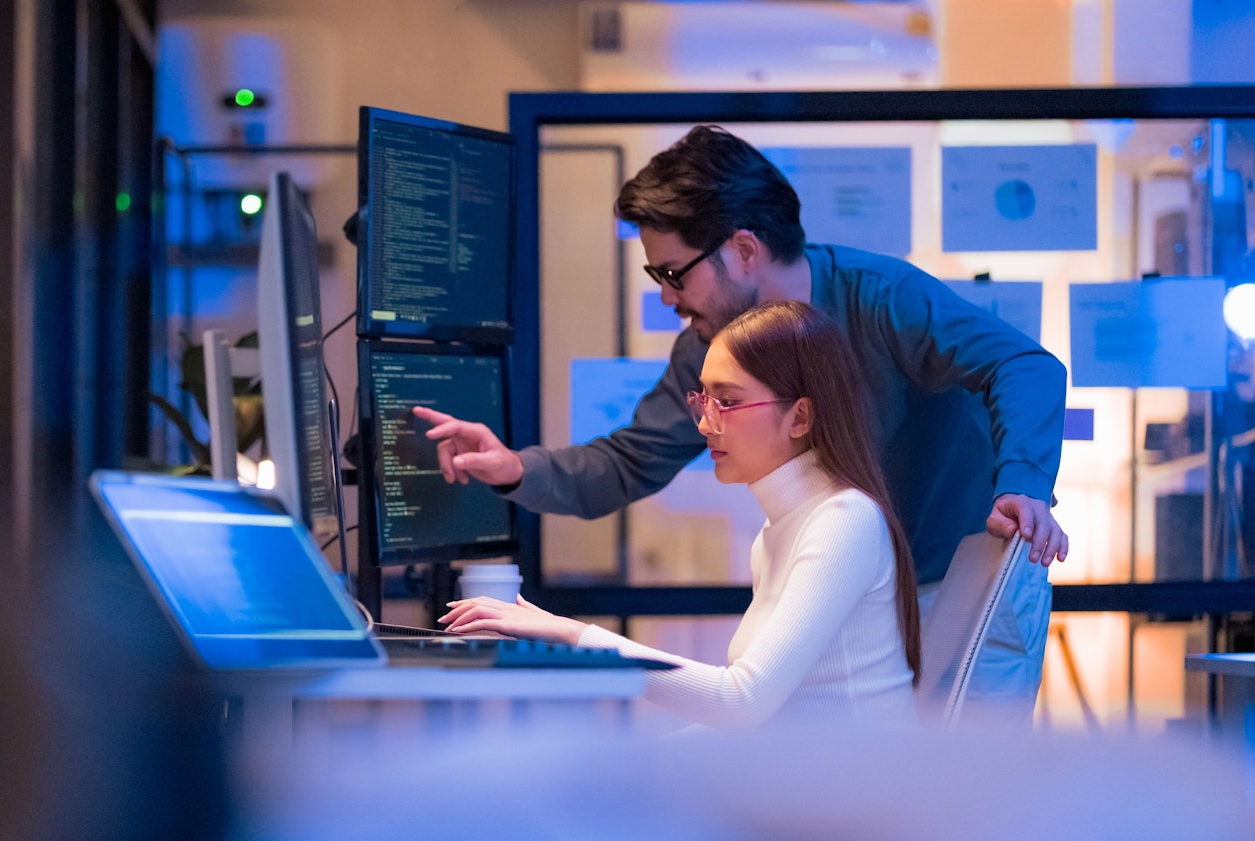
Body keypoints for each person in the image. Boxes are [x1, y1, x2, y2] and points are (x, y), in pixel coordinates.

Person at [416, 124, 1068, 721]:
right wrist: (516, 468)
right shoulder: (710, 348)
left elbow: (1023, 365)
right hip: (866, 596)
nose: (666, 297)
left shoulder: (883, 300)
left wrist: (1023, 485)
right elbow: (631, 460)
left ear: (745, 250)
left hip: (958, 574)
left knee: (957, 802)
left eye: (673, 274)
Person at [441, 301, 919, 730]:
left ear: (799, 417)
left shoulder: (842, 521)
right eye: (703, 400)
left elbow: (739, 703)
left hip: (848, 806)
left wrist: (570, 633)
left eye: (727, 402)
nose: (706, 424)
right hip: (801, 788)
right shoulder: (782, 530)